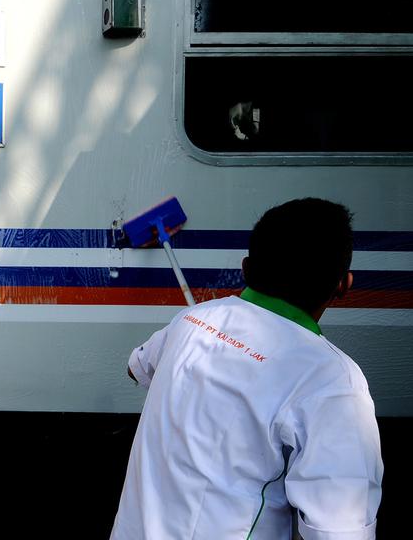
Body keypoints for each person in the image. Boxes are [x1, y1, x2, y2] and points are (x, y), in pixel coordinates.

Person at [111, 198, 382, 540]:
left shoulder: (192, 320)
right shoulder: (332, 379)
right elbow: (340, 531)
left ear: (246, 268)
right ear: (343, 285)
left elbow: (136, 368)